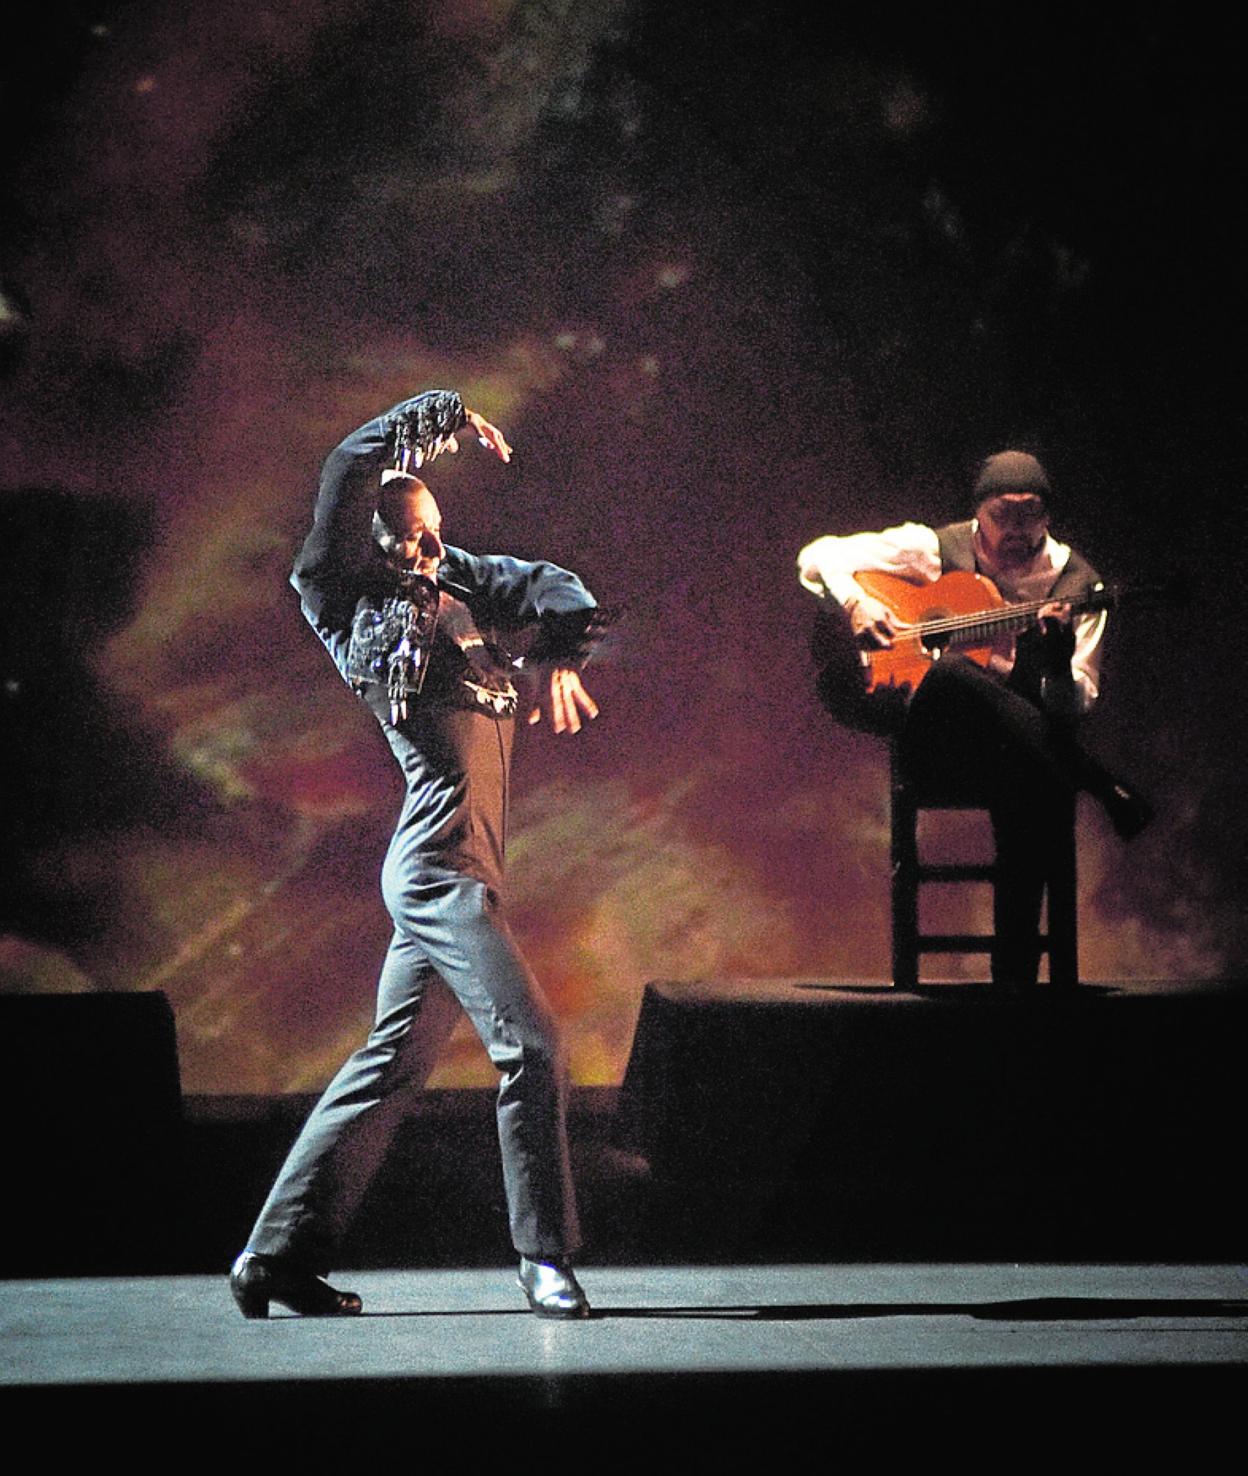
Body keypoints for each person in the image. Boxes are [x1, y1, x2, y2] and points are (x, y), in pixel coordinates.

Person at [230, 389, 604, 1320]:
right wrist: (438, 416)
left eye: (437, 531)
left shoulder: (460, 583)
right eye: (412, 535)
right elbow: (344, 471)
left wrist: (561, 652)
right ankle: (543, 1256)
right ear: (372, 542)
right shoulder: (341, 594)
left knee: (389, 1065)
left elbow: (554, 584)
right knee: (534, 1045)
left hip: (464, 866)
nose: (431, 548)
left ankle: (274, 1256)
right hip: (439, 872)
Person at [797, 449, 1150, 986]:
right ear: (978, 514)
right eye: (1002, 514)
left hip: (1019, 753)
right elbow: (817, 556)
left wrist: (1055, 664)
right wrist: (856, 605)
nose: (1016, 528)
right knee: (950, 675)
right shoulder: (933, 550)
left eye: (1030, 514)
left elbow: (1075, 703)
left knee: (1032, 782)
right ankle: (1096, 781)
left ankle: (1015, 984)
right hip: (932, 741)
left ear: (1048, 516)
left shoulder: (1079, 588)